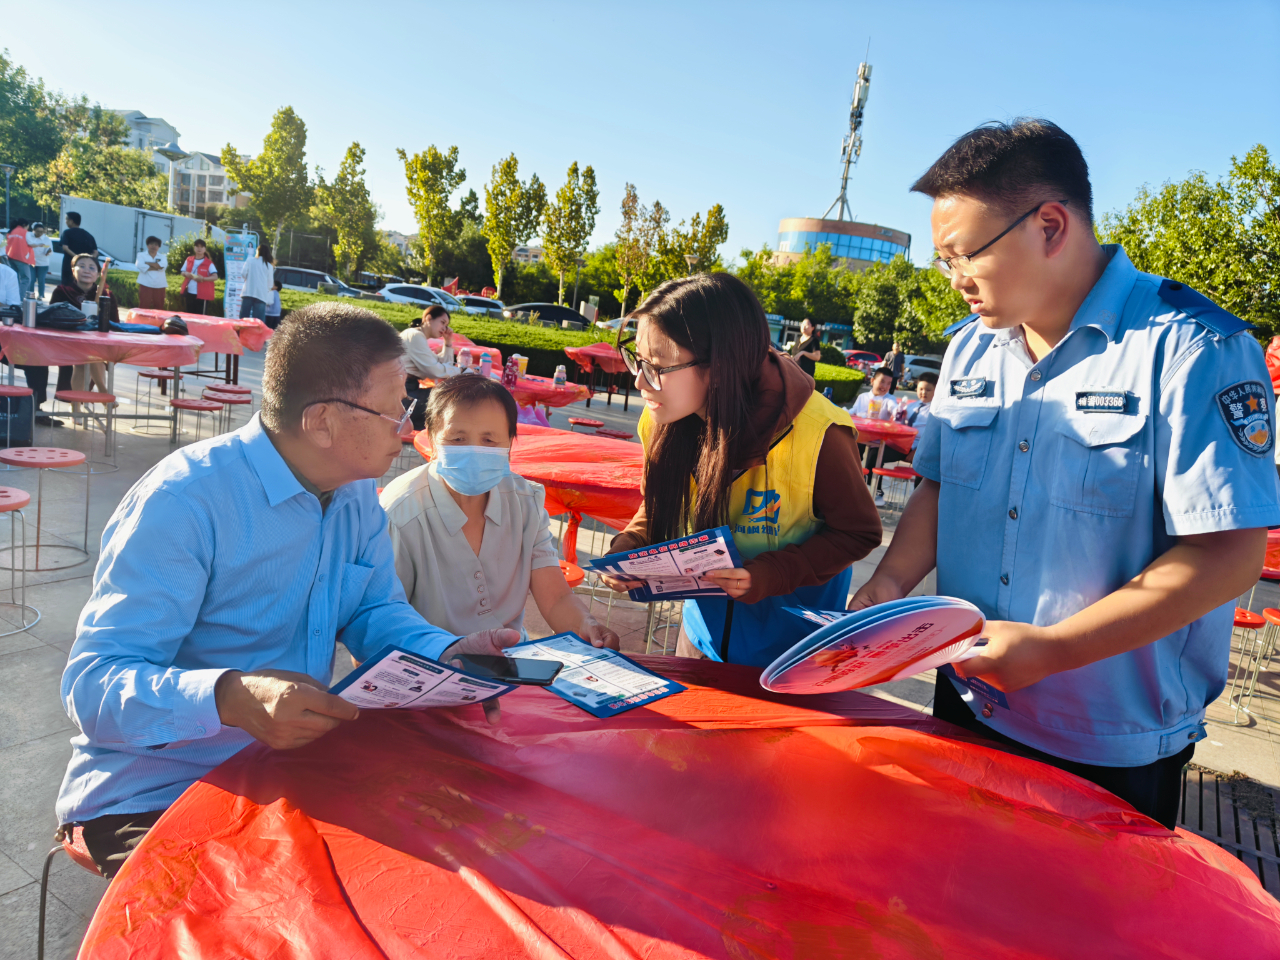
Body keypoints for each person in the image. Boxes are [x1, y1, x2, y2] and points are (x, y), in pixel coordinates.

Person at [850, 118, 1280, 829]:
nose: (955, 280)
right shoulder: (970, 352)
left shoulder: (1190, 349)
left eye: (965, 256)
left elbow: (1228, 558)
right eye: (943, 261)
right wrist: (890, 583)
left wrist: (1055, 650)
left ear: (1050, 225)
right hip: (967, 696)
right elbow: (940, 485)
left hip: (1107, 744)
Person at [56, 301, 521, 878]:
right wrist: (229, 698)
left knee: (461, 850)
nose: (408, 423)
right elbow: (92, 685)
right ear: (323, 420)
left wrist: (446, 653)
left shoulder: (353, 494)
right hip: (159, 787)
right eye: (397, 403)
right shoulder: (186, 502)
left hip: (291, 766)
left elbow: (376, 611)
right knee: (269, 913)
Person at [601, 272, 881, 666]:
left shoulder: (821, 432)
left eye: (657, 366)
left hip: (794, 653)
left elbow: (859, 532)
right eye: (638, 360)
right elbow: (659, 504)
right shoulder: (661, 420)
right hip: (700, 640)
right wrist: (631, 546)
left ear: (719, 365)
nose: (640, 381)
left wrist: (773, 573)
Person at [382, 374, 621, 648]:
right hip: (430, 664)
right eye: (457, 438)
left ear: (509, 444)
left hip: (510, 656)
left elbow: (555, 597)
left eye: (489, 440)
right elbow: (385, 620)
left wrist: (586, 626)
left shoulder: (525, 502)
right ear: (433, 439)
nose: (473, 451)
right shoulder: (401, 513)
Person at [50, 253, 114, 403]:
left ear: (98, 274)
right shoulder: (62, 291)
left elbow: (114, 323)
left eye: (92, 267)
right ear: (73, 270)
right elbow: (51, 316)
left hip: (95, 344)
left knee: (89, 357)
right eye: (82, 266)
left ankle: (77, 408)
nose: (87, 270)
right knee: (88, 356)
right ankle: (103, 393)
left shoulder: (105, 295)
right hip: (66, 341)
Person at [400, 304, 460, 432]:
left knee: (448, 397)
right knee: (450, 398)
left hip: (407, 389)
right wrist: (462, 371)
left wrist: (448, 342)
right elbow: (435, 371)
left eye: (446, 325)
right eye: (442, 322)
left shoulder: (417, 337)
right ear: (428, 318)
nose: (444, 328)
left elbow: (442, 365)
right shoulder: (414, 336)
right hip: (401, 395)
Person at [58, 212, 97, 286]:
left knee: (67, 286)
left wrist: (77, 257)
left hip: (69, 265)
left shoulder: (67, 233)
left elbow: (65, 248)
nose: (65, 222)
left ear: (71, 221)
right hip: (85, 267)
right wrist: (87, 259)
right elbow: (95, 252)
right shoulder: (88, 235)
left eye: (66, 219)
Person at [239, 242, 275, 321]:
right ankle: (256, 334)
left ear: (257, 251)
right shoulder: (269, 266)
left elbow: (243, 273)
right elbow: (270, 284)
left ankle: (241, 333)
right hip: (261, 295)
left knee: (243, 319)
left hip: (248, 292)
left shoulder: (250, 260)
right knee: (258, 322)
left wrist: (248, 279)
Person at [181, 238, 218, 314]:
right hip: (190, 292)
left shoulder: (209, 263)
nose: (199, 248)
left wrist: (203, 278)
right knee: (189, 315)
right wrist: (185, 274)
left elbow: (215, 276)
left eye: (201, 247)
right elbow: (182, 272)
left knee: (200, 317)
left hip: (203, 294)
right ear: (194, 248)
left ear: (205, 249)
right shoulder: (189, 259)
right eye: (197, 246)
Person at [134, 235, 168, 310]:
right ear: (147, 245)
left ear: (159, 247)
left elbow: (162, 267)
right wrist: (156, 266)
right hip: (145, 284)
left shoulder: (163, 257)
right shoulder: (141, 255)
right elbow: (139, 265)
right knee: (143, 306)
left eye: (156, 245)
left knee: (159, 307)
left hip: (160, 285)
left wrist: (147, 263)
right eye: (151, 244)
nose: (153, 246)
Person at [5, 217, 35, 301]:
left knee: (15, 278)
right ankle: (20, 298)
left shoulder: (11, 232)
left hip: (10, 257)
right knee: (26, 278)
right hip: (21, 258)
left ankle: (13, 297)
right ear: (25, 225)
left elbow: (4, 244)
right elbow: (31, 243)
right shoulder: (25, 233)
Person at [28, 222, 52, 299]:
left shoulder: (46, 239)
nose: (40, 233)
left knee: (41, 280)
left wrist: (48, 252)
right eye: (38, 231)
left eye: (41, 232)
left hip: (43, 263)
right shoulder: (29, 237)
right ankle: (30, 295)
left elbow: (48, 249)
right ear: (34, 230)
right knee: (31, 279)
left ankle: (41, 295)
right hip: (31, 262)